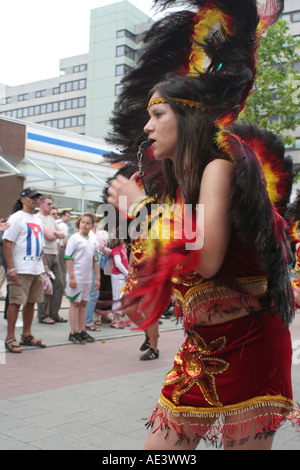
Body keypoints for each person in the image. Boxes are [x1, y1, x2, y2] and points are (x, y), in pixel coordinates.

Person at [106, 0, 299, 450]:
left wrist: (139, 211)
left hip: (252, 340)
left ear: (188, 116)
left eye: (158, 114)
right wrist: (123, 208)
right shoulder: (174, 186)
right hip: (200, 345)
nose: (148, 127)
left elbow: (208, 257)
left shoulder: (222, 163)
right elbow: (134, 245)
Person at [2, 187, 48, 353]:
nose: (36, 200)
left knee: (31, 302)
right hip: (21, 268)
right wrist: (11, 268)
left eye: (37, 197)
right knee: (15, 302)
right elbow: (7, 243)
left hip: (36, 268)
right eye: (32, 197)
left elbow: (40, 245)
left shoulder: (37, 219)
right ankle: (10, 337)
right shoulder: (16, 218)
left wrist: (45, 268)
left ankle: (26, 335)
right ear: (23, 199)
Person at [65, 213, 100, 344]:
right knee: (75, 303)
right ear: (79, 223)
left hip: (87, 278)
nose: (85, 225)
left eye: (88, 223)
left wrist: (97, 279)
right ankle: (73, 332)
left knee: (84, 303)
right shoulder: (74, 238)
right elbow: (68, 258)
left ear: (92, 226)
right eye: (82, 222)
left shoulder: (93, 240)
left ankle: (81, 330)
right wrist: (72, 277)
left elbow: (95, 260)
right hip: (77, 277)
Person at [36, 195, 66, 324]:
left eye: (51, 204)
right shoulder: (38, 218)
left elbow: (62, 235)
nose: (51, 206)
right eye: (48, 204)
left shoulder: (51, 219)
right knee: (45, 286)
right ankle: (42, 315)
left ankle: (54, 314)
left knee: (59, 284)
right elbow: (49, 236)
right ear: (41, 204)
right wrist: (55, 233)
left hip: (54, 254)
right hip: (45, 254)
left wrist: (54, 233)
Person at [110, 235, 129, 329]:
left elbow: (125, 262)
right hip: (118, 275)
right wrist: (127, 273)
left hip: (122, 275)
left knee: (121, 296)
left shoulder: (122, 248)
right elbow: (118, 264)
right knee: (117, 296)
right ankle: (114, 319)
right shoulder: (116, 249)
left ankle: (118, 318)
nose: (123, 238)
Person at [56, 210, 71, 292]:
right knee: (63, 269)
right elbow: (65, 240)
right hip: (61, 248)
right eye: (67, 216)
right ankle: (61, 289)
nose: (69, 218)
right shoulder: (63, 226)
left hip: (53, 248)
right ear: (62, 216)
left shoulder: (55, 222)